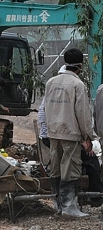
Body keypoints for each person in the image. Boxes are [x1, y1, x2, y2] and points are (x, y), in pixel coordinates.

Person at [44, 48, 94, 218]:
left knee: (55, 167)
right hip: (70, 133)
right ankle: (69, 207)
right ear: (80, 66)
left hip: (54, 132)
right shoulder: (77, 85)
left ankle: (57, 205)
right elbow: (83, 114)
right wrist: (87, 136)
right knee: (70, 168)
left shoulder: (50, 82)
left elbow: (45, 109)